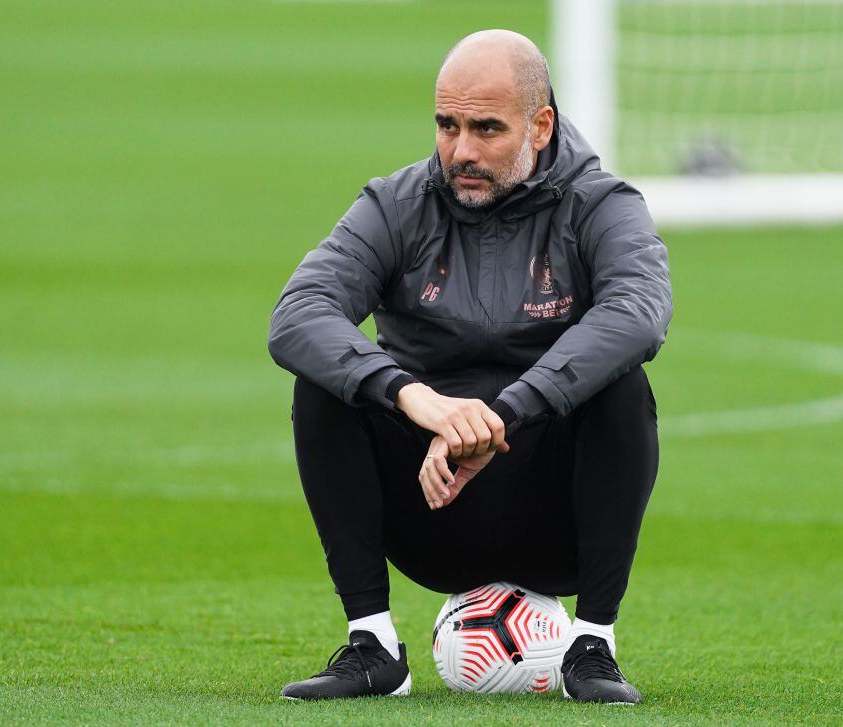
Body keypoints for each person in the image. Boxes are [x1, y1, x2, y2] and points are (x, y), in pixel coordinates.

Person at [268, 29, 671, 704]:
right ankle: (373, 643)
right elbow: (298, 311)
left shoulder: (602, 204)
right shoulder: (394, 205)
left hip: (556, 515)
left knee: (622, 385)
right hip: (432, 502)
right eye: (447, 125)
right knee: (325, 380)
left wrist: (502, 413)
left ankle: (593, 644)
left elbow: (639, 312)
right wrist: (413, 397)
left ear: (540, 125)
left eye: (486, 128)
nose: (461, 151)